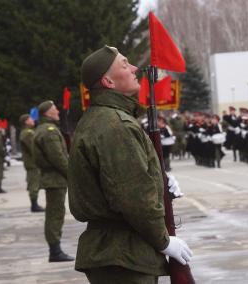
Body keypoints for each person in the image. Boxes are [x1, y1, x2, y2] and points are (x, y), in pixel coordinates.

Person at [68, 45, 192, 284]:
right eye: (125, 64)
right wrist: (164, 241)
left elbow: (128, 181)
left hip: (119, 253)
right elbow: (133, 197)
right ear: (108, 81)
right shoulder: (116, 126)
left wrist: (160, 182)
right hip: (124, 256)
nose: (135, 68)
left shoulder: (104, 119)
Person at [33, 101, 74, 262]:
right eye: (54, 109)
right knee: (55, 214)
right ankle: (55, 251)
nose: (57, 110)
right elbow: (58, 158)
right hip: (55, 179)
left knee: (55, 213)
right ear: (47, 113)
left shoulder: (45, 129)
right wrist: (72, 174)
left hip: (54, 178)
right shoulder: (49, 131)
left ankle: (55, 250)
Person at [19, 114, 44, 212]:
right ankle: (34, 205)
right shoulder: (27, 133)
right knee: (34, 183)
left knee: (33, 182)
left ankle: (34, 204)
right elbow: (33, 148)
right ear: (26, 121)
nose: (32, 120)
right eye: (30, 119)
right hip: (32, 163)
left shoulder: (28, 132)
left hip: (32, 163)